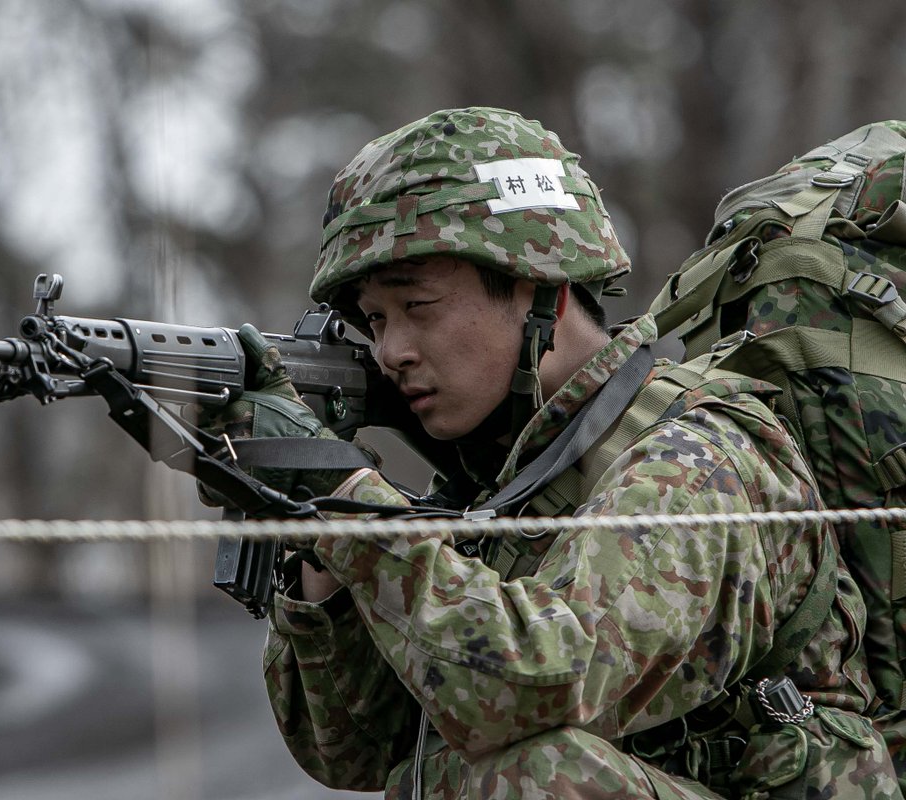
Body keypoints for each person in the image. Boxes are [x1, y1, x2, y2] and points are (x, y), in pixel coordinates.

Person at [201, 108, 900, 798]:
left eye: (419, 308)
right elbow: (360, 753)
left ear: (541, 291)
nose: (392, 352)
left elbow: (538, 682)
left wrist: (348, 495)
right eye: (376, 320)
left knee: (516, 777)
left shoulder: (693, 457)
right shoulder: (511, 475)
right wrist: (316, 531)